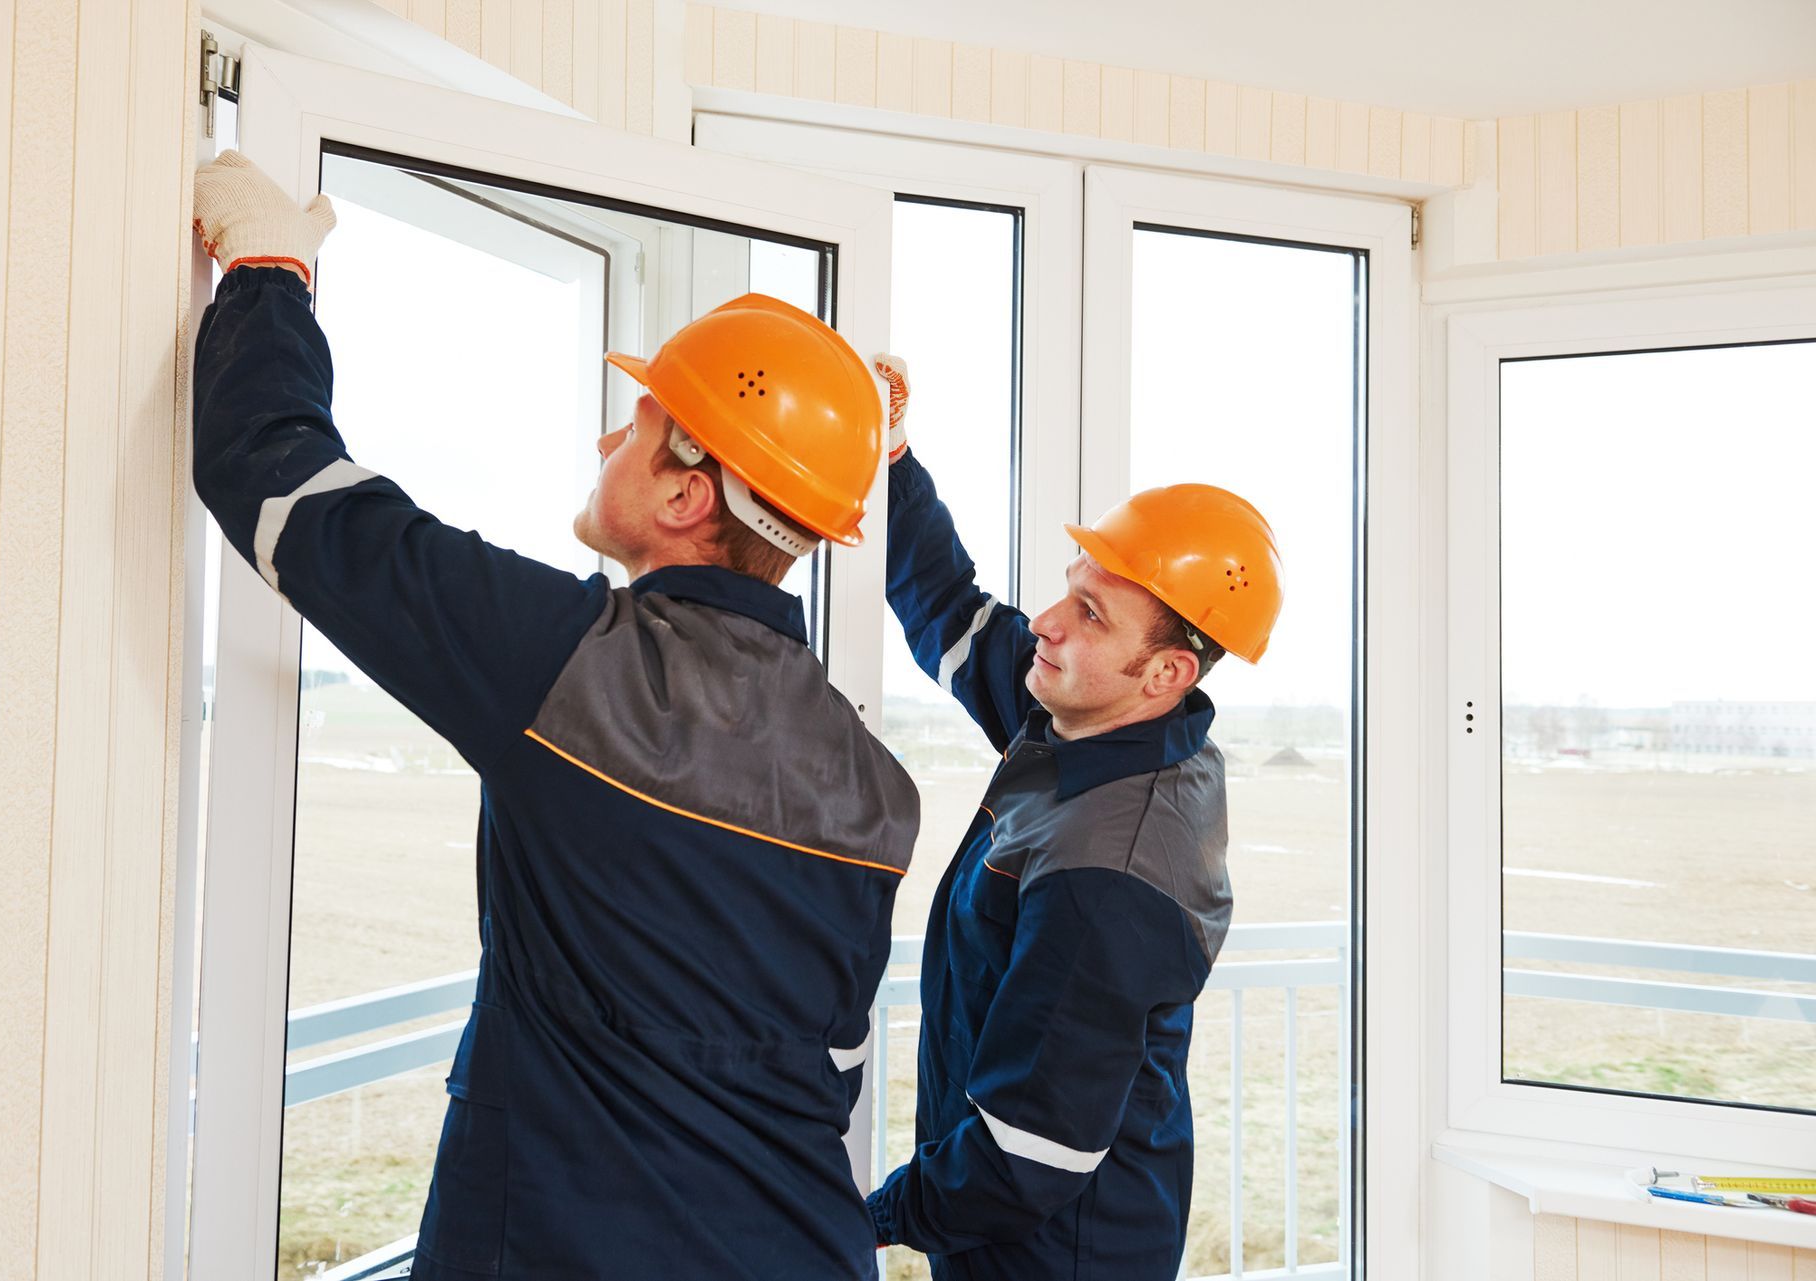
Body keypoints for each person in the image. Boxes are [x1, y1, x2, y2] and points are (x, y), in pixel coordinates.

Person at [191, 150, 918, 1280]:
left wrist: (268, 270)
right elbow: (828, 1062)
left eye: (635, 425)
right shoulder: (878, 786)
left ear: (686, 492)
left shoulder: (570, 667)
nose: (604, 443)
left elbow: (286, 489)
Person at [866, 354, 1283, 1280]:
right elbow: (953, 611)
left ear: (1167, 670)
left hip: (1059, 1253)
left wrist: (869, 1214)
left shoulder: (1115, 870)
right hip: (1015, 1225)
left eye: (1089, 611)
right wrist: (888, 455)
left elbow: (1028, 1154)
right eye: (1069, 585)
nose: (1047, 620)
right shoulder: (1097, 718)